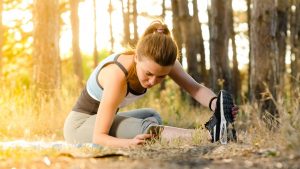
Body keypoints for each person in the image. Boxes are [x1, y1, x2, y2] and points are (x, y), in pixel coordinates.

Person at [63, 20, 238, 148]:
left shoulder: (162, 61)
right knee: (147, 129)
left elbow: (196, 88)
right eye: (148, 74)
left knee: (152, 115)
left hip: (102, 121)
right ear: (137, 58)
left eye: (161, 77)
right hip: (80, 127)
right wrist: (127, 143)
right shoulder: (117, 75)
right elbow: (99, 136)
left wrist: (217, 105)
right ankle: (209, 135)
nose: (153, 81)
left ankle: (216, 130)